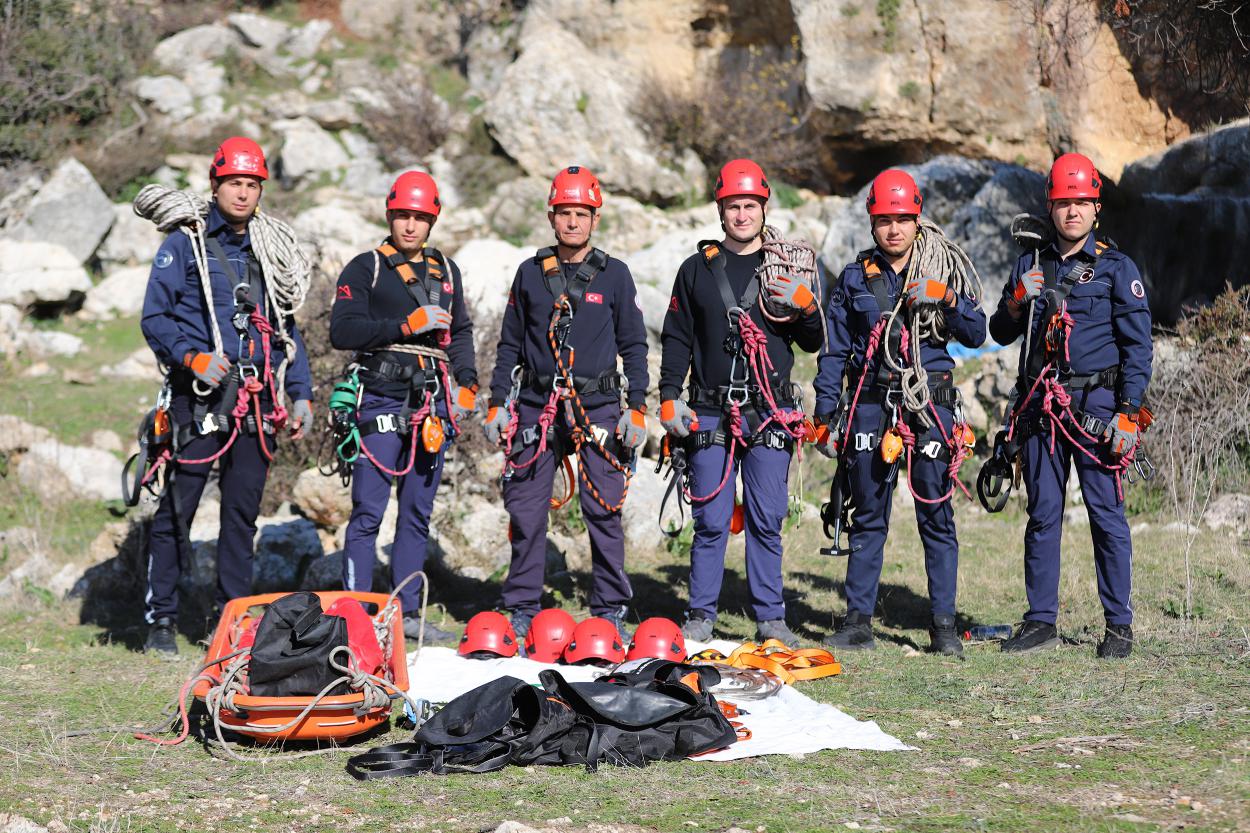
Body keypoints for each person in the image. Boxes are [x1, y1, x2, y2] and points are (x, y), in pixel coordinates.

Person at [139, 136, 314, 656]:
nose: (243, 192)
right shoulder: (182, 245)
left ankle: (229, 619)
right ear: (215, 185)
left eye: (252, 184)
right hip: (199, 399)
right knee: (178, 509)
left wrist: (299, 393)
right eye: (234, 182)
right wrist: (192, 358)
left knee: (241, 517)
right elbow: (154, 317)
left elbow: (286, 328)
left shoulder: (266, 251)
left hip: (257, 401)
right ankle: (160, 621)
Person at [813, 169, 986, 655]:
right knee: (868, 513)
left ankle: (944, 627)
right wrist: (826, 413)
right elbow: (832, 351)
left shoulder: (941, 272)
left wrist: (946, 299)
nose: (894, 229)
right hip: (871, 402)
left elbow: (977, 332)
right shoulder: (854, 278)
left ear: (917, 220)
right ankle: (857, 622)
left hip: (928, 402)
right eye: (885, 220)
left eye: (903, 220)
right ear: (872, 223)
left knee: (936, 512)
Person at [988, 152, 1152, 658]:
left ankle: (1118, 628)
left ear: (1096, 208)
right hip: (1041, 405)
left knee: (1106, 514)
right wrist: (1017, 299)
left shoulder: (1115, 268)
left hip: (1098, 406)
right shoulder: (1029, 264)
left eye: (1081, 203)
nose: (1072, 212)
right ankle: (1041, 622)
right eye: (1063, 203)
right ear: (1050, 206)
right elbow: (998, 331)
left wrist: (1129, 411)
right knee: (1042, 513)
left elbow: (1138, 348)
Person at [658, 158, 823, 646]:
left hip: (769, 409)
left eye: (750, 205)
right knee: (710, 519)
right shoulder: (695, 271)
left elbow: (813, 342)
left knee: (766, 516)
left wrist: (807, 304)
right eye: (733, 206)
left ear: (763, 207)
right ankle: (701, 615)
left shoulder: (786, 270)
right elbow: (675, 338)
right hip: (709, 408)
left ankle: (770, 619)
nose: (742, 215)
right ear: (720, 209)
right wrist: (669, 399)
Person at [483, 166, 649, 641]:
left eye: (581, 214)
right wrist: (498, 403)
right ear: (551, 216)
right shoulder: (530, 274)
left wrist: (636, 407)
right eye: (564, 213)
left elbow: (634, 346)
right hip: (538, 404)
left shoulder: (615, 275)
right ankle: (520, 604)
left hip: (598, 405)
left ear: (594, 218)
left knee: (603, 508)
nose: (572, 222)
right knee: (528, 510)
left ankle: (611, 605)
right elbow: (509, 345)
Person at [330, 171, 477, 642]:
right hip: (380, 397)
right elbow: (343, 331)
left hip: (432, 403)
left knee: (417, 511)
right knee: (369, 512)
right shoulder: (365, 268)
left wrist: (468, 380)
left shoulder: (447, 272)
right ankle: (355, 613)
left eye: (419, 217)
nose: (410, 225)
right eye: (402, 216)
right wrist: (406, 324)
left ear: (432, 219)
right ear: (389, 215)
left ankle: (407, 614)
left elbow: (464, 331)